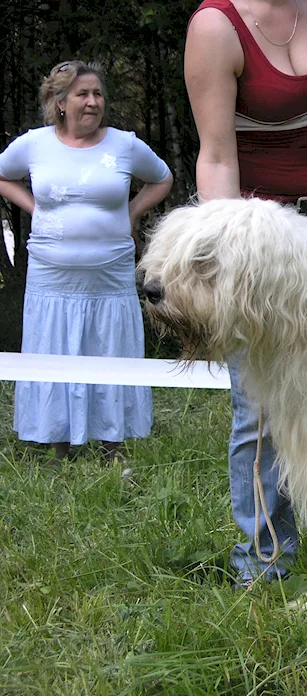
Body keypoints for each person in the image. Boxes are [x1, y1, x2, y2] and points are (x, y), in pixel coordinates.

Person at [185, 0, 307, 586]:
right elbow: (215, 156)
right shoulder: (216, 28)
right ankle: (264, 562)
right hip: (261, 246)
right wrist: (229, 259)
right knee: (259, 411)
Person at [0, 60, 172, 467]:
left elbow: (162, 179)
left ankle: (114, 449)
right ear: (60, 102)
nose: (93, 102)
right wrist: (32, 205)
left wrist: (130, 214)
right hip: (51, 277)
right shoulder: (33, 144)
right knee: (56, 349)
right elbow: (3, 175)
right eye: (83, 94)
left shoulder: (125, 145)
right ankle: (59, 448)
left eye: (98, 94)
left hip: (109, 276)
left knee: (109, 350)